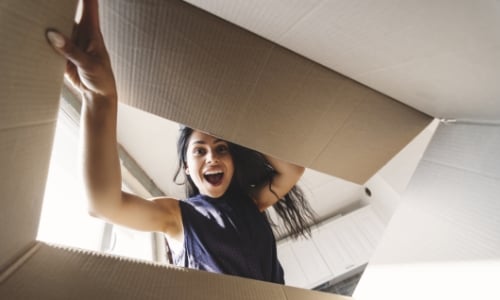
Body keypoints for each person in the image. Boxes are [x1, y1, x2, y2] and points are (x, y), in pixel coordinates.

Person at [46, 0, 314, 284]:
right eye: (200, 151)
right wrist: (100, 98)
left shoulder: (251, 203)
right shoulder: (175, 216)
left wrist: (238, 121)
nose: (212, 156)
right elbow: (104, 205)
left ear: (233, 161)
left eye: (222, 148)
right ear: (187, 167)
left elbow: (292, 170)